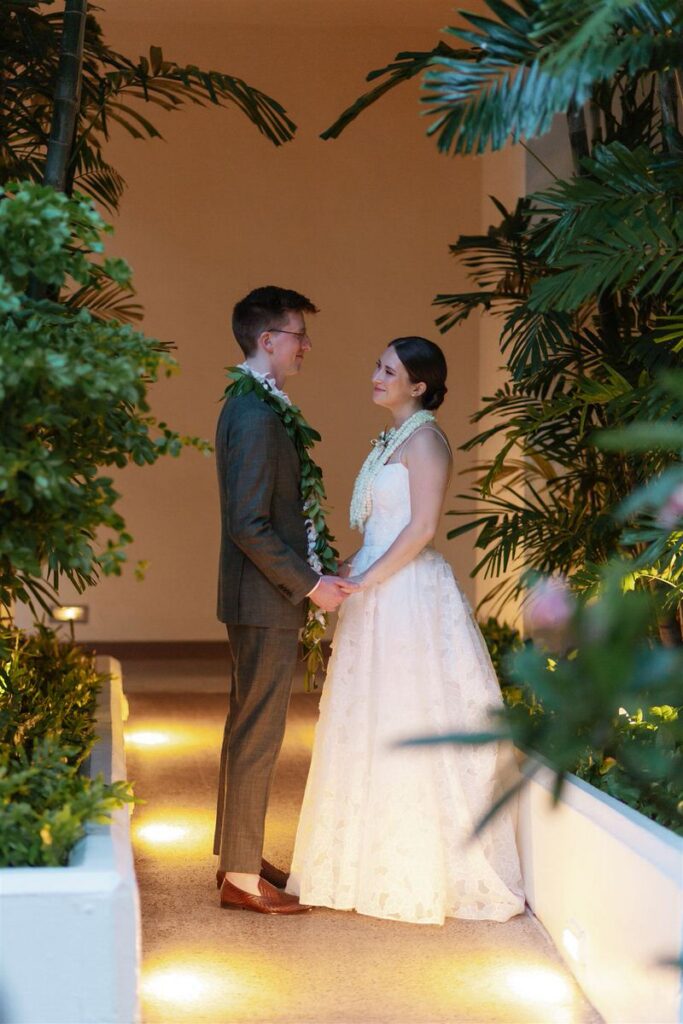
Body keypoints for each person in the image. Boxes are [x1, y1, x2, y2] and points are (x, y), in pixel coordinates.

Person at [287, 336, 525, 926]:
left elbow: (420, 529)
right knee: (369, 715)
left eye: (388, 370)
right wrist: (350, 568)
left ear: (418, 386)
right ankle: (356, 862)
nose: (376, 375)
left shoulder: (427, 441)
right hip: (377, 589)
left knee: (407, 711)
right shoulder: (393, 438)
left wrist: (366, 580)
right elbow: (383, 526)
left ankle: (418, 867)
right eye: (377, 364)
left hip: (406, 595)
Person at [213, 285, 353, 915]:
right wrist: (310, 583)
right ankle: (241, 879)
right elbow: (249, 524)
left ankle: (235, 858)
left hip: (260, 596)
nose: (306, 346)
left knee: (248, 728)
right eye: (298, 334)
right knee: (259, 734)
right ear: (267, 340)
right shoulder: (253, 414)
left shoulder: (259, 405)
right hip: (266, 598)